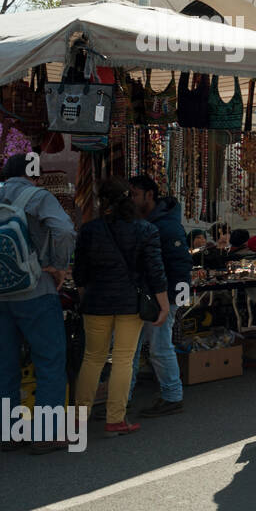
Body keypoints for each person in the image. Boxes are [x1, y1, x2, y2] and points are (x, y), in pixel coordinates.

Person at [0, 153, 77, 453]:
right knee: (49, 360)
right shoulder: (38, 196)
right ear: (34, 175)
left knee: (3, 362)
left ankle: (9, 433)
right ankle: (46, 433)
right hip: (35, 290)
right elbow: (63, 230)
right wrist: (60, 265)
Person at [73, 178, 169, 436]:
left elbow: (79, 271)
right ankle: (115, 420)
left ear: (101, 201)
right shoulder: (145, 229)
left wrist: (85, 294)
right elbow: (155, 270)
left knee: (92, 358)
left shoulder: (89, 229)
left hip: (95, 301)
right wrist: (163, 304)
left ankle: (79, 418)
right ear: (128, 199)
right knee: (124, 360)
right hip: (129, 301)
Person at [127, 175, 191, 417]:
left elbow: (180, 265)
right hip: (147, 294)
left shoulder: (166, 225)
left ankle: (172, 396)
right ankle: (124, 397)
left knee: (159, 346)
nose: (131, 199)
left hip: (162, 297)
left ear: (149, 195)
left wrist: (174, 301)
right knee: (132, 348)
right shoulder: (145, 221)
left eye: (135, 194)